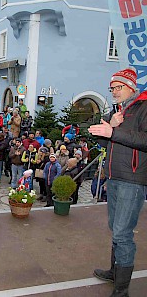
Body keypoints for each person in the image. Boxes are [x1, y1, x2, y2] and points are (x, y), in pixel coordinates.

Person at [89, 67, 147, 296]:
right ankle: (115, 272)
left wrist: (114, 132)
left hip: (131, 180)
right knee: (116, 230)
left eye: (118, 87)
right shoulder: (119, 111)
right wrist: (110, 126)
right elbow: (101, 141)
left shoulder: (143, 108)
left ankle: (121, 290)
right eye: (112, 88)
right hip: (114, 177)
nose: (114, 92)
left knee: (123, 234)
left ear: (131, 86)